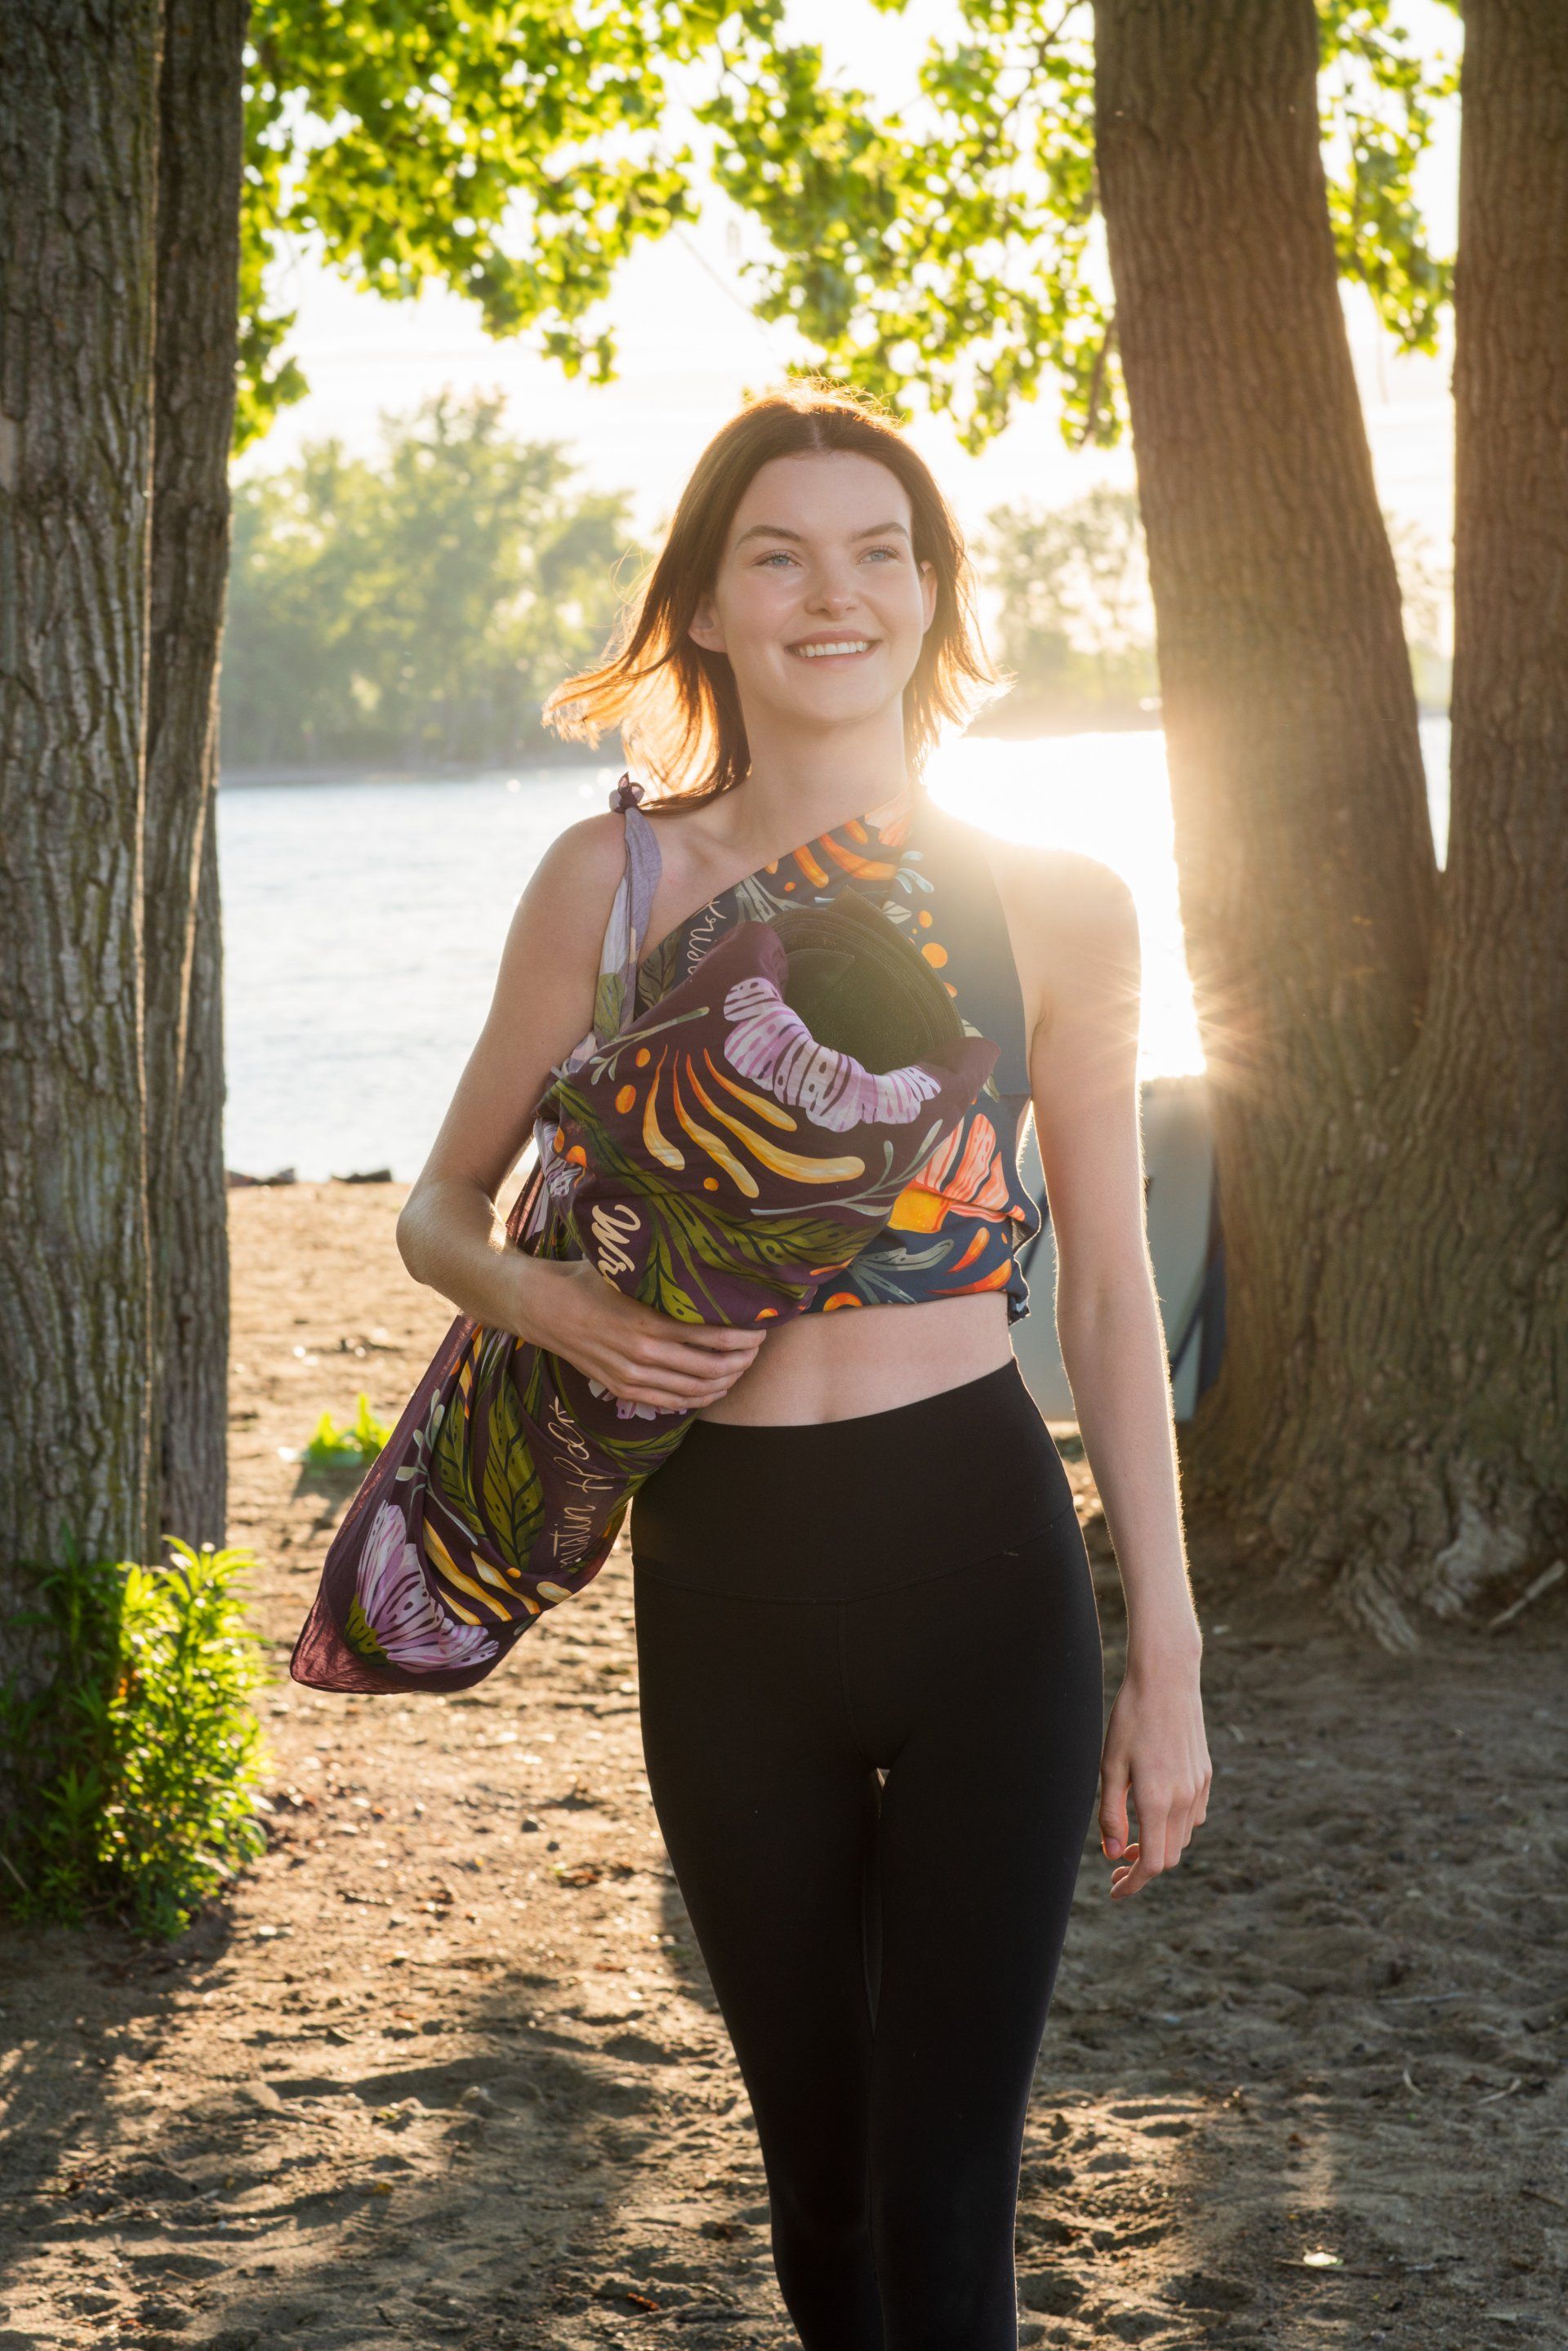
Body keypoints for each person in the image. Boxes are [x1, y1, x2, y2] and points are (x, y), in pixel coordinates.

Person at [394, 381, 1211, 2350]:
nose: (831, 592)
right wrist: (560, 1308)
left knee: (949, 2205)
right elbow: (437, 1209)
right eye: (780, 553)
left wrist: (1167, 1664)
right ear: (708, 602)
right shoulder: (613, 885)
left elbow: (1109, 1295)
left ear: (933, 597)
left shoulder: (1058, 900)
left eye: (879, 551)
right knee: (821, 2198)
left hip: (986, 1577)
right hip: (727, 1591)